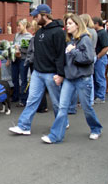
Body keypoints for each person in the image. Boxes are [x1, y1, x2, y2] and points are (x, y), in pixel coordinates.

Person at [41, 14, 102, 144]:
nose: (67, 26)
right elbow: (67, 62)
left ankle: (96, 128)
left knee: (86, 108)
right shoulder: (71, 41)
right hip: (69, 79)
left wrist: (73, 51)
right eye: (66, 24)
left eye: (70, 23)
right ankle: (55, 136)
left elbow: (89, 59)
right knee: (62, 107)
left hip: (82, 79)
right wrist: (61, 75)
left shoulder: (85, 39)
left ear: (77, 25)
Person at [8, 4, 66, 135]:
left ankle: (62, 122)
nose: (34, 18)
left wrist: (60, 74)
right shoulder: (39, 32)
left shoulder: (58, 32)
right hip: (38, 72)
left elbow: (60, 55)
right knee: (32, 100)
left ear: (45, 15)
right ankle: (24, 126)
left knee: (57, 102)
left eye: (36, 16)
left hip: (52, 73)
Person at [6, 19, 32, 107]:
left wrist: (20, 50)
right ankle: (15, 96)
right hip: (14, 60)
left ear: (24, 26)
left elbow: (29, 50)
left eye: (19, 25)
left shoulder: (29, 36)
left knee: (23, 79)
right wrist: (9, 59)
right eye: (17, 26)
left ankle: (24, 100)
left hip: (23, 60)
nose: (17, 27)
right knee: (14, 79)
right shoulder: (17, 35)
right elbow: (12, 47)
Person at [25, 20, 48, 113]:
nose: (30, 28)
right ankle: (43, 106)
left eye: (32, 26)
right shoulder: (42, 37)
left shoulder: (35, 38)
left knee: (37, 86)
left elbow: (33, 51)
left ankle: (41, 106)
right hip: (42, 63)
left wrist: (29, 60)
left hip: (35, 63)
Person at [80, 14, 98, 106]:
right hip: (93, 55)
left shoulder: (87, 32)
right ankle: (90, 100)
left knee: (87, 79)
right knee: (90, 78)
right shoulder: (94, 31)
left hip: (88, 56)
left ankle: (88, 101)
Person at [92, 17, 108, 104]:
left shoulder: (102, 33)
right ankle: (97, 95)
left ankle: (101, 96)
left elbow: (106, 47)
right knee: (96, 78)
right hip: (99, 58)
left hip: (101, 58)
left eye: (93, 23)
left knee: (100, 78)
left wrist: (98, 56)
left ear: (97, 24)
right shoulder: (99, 32)